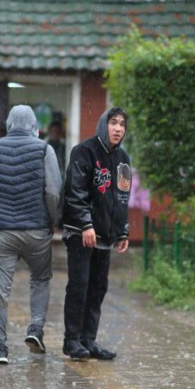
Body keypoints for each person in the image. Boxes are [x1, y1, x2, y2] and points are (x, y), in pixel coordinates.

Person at [0, 105, 63, 365]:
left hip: (2, 231)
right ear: (34, 124)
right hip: (36, 231)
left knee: (0, 291)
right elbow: (53, 192)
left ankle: (0, 349)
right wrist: (52, 221)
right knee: (40, 278)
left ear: (9, 123)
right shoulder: (44, 149)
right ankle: (35, 330)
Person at [61, 107, 131, 360]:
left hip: (105, 236)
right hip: (81, 234)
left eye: (122, 124)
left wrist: (123, 230)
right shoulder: (84, 151)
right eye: (113, 122)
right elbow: (74, 192)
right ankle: (72, 341)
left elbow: (122, 197)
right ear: (104, 124)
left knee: (98, 286)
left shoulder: (123, 158)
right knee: (79, 285)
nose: (118, 128)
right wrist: (85, 225)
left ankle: (89, 340)